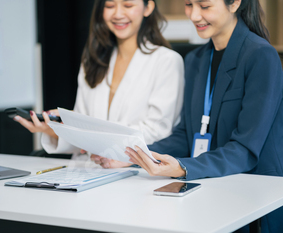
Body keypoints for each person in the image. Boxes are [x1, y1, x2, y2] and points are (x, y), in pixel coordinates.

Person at [122, 0, 283, 232]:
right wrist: (134, 154)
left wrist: (182, 168)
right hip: (212, 193)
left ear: (234, 3)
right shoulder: (195, 60)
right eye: (188, 5)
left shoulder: (261, 56)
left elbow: (244, 150)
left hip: (260, 204)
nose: (194, 15)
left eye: (204, 6)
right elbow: (185, 135)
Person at [14, 0, 184, 165]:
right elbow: (81, 136)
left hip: (134, 171)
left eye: (128, 5)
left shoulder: (166, 61)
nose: (118, 14)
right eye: (110, 5)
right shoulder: (92, 60)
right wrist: (53, 130)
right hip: (86, 169)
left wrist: (90, 135)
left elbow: (157, 132)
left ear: (148, 7)